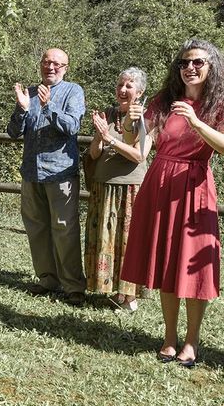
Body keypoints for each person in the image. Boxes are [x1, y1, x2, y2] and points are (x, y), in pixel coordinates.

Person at [121, 39, 224, 367]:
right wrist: (129, 121)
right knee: (167, 263)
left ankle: (191, 342)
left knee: (191, 265)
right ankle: (168, 338)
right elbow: (136, 144)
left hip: (194, 187)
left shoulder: (218, 105)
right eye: (183, 63)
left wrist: (196, 122)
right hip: (160, 183)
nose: (189, 68)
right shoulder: (163, 101)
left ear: (212, 67)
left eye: (197, 63)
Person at [6, 48, 87, 306]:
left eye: (56, 63)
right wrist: (21, 108)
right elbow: (13, 132)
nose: (50, 67)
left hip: (60, 172)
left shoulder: (73, 91)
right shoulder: (28, 92)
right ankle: (48, 280)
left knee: (65, 229)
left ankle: (74, 286)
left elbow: (72, 126)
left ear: (66, 67)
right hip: (31, 172)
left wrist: (47, 106)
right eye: (46, 62)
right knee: (37, 229)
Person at [84, 68, 152, 312]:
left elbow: (139, 154)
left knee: (127, 242)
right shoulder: (109, 113)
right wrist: (99, 136)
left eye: (129, 86)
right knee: (106, 240)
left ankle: (129, 297)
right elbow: (94, 154)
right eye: (120, 85)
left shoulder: (147, 118)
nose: (123, 90)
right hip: (104, 187)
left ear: (140, 91)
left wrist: (110, 139)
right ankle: (114, 291)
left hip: (130, 189)